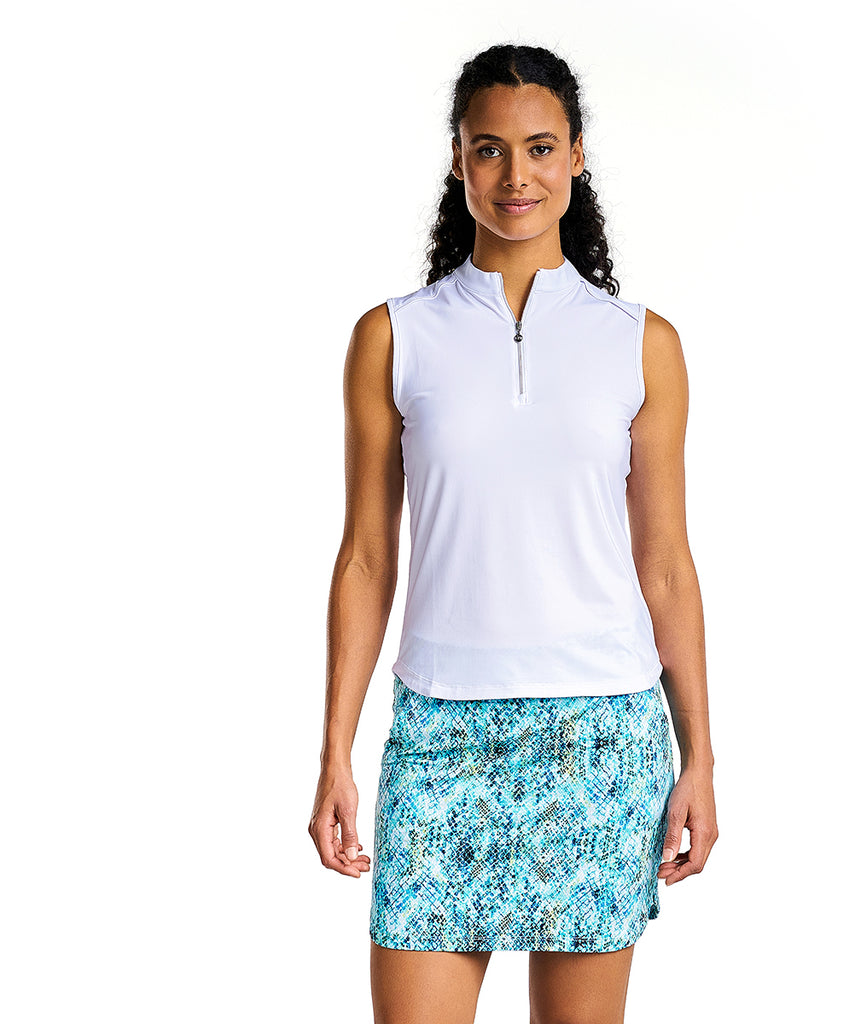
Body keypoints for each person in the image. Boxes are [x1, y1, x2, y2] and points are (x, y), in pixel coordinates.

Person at [309, 43, 717, 1024]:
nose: (515, 175)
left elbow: (665, 565)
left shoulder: (641, 344)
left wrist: (700, 756)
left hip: (599, 740)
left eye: (539, 148)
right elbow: (366, 556)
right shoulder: (393, 336)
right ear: (458, 160)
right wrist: (335, 749)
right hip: (440, 734)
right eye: (488, 149)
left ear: (576, 156)